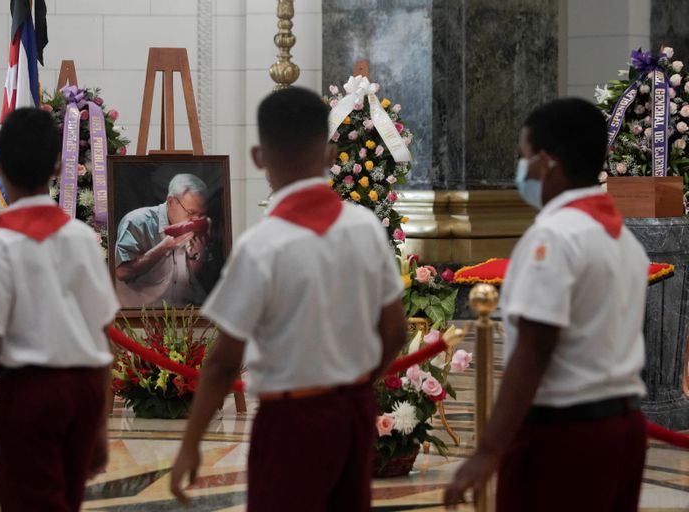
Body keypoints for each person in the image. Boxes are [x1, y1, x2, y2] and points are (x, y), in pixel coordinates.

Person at [169, 87, 409, 511]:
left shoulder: (262, 245)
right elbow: (395, 332)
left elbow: (225, 361)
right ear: (331, 153)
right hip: (353, 412)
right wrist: (354, 383)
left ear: (259, 158)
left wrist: (190, 444)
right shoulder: (365, 229)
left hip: (290, 423)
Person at [444, 98, 649, 511]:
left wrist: (488, 451)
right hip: (623, 428)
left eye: (524, 157)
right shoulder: (622, 239)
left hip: (565, 434)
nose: (522, 171)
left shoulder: (555, 237)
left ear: (547, 162)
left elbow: (535, 349)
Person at [0, 108, 119, 511]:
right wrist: (101, 425)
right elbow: (104, 337)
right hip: (84, 393)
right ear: (57, 168)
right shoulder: (83, 238)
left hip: (31, 396)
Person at [114, 173, 212, 308]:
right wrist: (163, 248)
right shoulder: (137, 222)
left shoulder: (203, 225)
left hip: (183, 316)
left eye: (200, 214)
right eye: (190, 212)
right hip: (138, 318)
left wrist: (197, 259)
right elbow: (121, 272)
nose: (195, 220)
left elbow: (188, 284)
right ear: (171, 201)